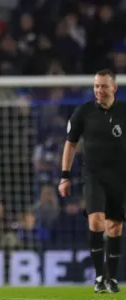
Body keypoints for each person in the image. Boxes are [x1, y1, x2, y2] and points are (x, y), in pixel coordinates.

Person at [59, 69, 125, 294]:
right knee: (96, 221)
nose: (99, 90)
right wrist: (65, 176)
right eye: (96, 86)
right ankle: (98, 277)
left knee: (115, 228)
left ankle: (112, 278)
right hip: (93, 176)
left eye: (103, 86)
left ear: (114, 88)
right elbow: (70, 144)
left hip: (120, 178)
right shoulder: (83, 112)